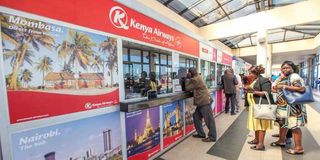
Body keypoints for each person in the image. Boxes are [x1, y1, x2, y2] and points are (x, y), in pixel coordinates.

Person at [270, 61, 307, 155]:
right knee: (283, 124)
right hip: (283, 106)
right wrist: (277, 85)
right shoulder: (282, 77)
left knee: (294, 126)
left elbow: (301, 89)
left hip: (293, 106)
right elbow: (273, 88)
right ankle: (281, 140)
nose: (285, 69)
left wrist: (284, 86)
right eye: (283, 68)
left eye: (287, 67)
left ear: (293, 68)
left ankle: (299, 148)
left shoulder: (294, 76)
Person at [246, 65, 274, 151]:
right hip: (254, 105)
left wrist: (253, 91)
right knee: (256, 124)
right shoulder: (255, 80)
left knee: (261, 125)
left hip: (261, 105)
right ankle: (256, 140)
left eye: (250, 73)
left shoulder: (264, 80)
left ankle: (261, 144)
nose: (249, 74)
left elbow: (267, 93)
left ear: (256, 73)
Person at [185, 68, 217, 142]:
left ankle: (212, 137)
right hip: (201, 101)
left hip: (204, 101)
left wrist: (187, 78)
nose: (188, 74)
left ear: (191, 73)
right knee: (196, 116)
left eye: (188, 73)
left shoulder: (196, 79)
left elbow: (187, 88)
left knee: (209, 120)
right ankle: (201, 133)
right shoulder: (198, 77)